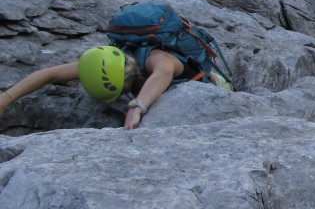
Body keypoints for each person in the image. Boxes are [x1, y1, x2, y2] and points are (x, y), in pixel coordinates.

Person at [0, 45, 190, 130]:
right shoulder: (108, 61)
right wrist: (6, 99)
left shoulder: (157, 58)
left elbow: (163, 72)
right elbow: (49, 74)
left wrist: (136, 107)